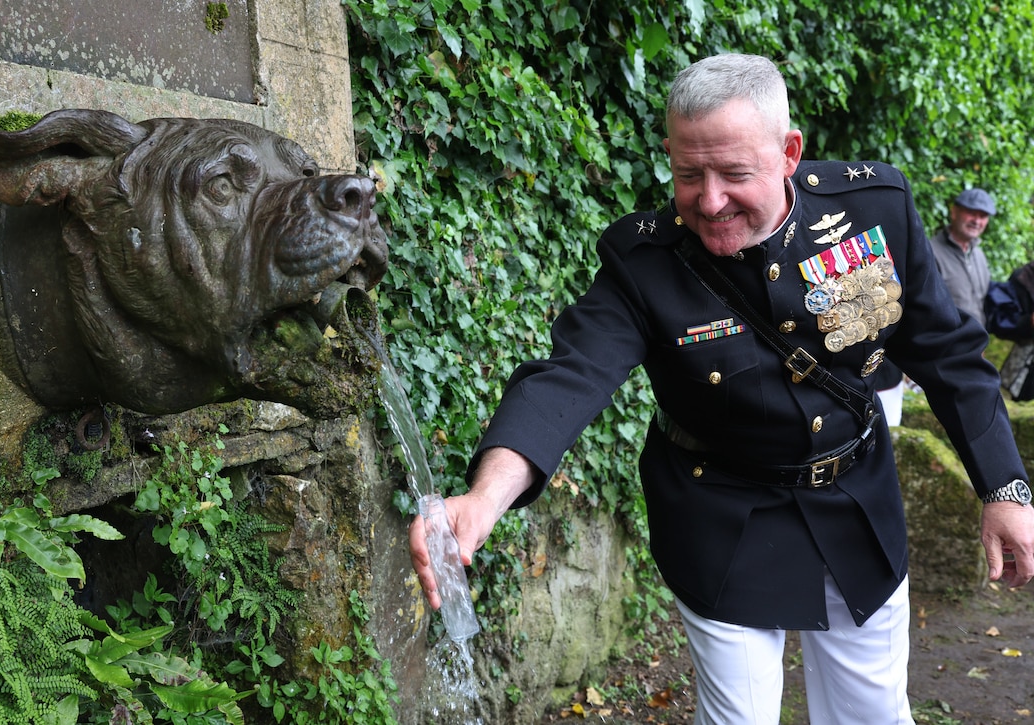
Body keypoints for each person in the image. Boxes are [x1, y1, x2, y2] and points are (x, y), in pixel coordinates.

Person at [409, 53, 1034, 723]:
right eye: (688, 174)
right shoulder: (643, 261)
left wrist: (1004, 486)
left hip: (857, 503)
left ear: (789, 153)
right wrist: (484, 496)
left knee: (875, 711)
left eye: (736, 173)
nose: (709, 201)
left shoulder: (872, 207)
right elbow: (570, 375)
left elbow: (949, 355)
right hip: (722, 514)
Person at [928, 187, 997, 325]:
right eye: (971, 213)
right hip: (947, 344)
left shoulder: (979, 255)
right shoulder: (930, 254)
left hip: (977, 342)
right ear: (954, 212)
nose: (977, 221)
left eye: (983, 216)